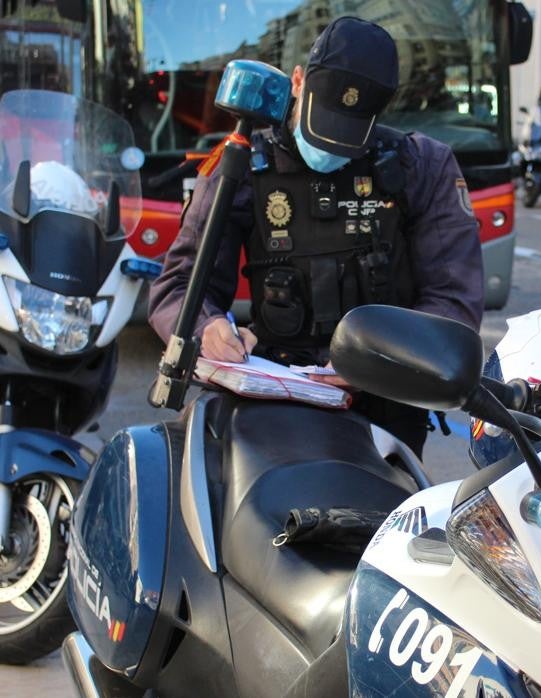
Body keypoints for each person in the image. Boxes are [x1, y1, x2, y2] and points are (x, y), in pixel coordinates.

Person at [148, 17, 484, 457]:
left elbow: (453, 304)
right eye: (323, 121)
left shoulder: (422, 166)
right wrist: (206, 327)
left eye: (348, 133)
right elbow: (178, 286)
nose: (331, 147)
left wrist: (378, 363)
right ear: (297, 82)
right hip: (270, 401)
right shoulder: (242, 165)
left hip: (384, 410)